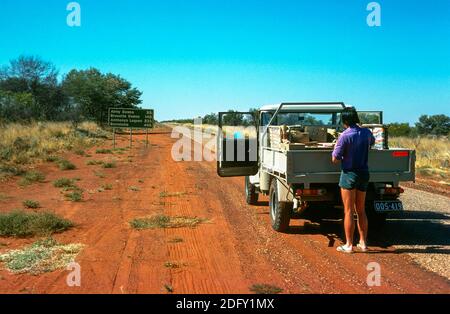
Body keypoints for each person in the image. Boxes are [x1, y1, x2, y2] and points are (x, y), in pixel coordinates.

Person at [332, 107, 375, 253]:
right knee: (361, 210)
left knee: (348, 211)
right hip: (364, 173)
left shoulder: (344, 136)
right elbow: (372, 143)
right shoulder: (366, 133)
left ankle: (348, 245)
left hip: (349, 174)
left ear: (344, 120)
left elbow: (335, 159)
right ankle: (363, 243)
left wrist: (336, 149)